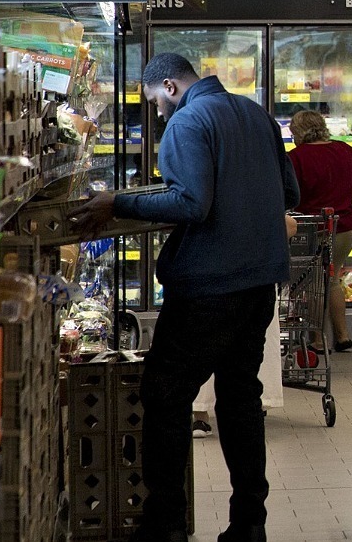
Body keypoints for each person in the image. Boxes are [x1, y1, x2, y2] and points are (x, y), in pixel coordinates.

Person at [70, 53, 297, 542]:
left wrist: (118, 201)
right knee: (240, 401)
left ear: (169, 86)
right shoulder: (255, 113)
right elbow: (290, 192)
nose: (156, 113)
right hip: (258, 287)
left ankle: (165, 523)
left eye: (154, 102)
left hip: (206, 291)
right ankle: (248, 525)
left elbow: (192, 202)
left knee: (166, 396)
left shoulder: (189, 120)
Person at [286, 109, 352, 351]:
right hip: (345, 228)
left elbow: (288, 192)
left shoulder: (297, 158)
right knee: (332, 279)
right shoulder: (343, 150)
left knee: (312, 282)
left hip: (313, 229)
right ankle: (342, 336)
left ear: (300, 132)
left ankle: (316, 340)